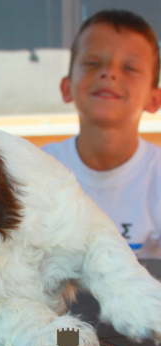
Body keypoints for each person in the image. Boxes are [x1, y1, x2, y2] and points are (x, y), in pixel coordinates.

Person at [42, 9, 161, 258]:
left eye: (130, 67)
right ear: (66, 88)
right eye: (92, 63)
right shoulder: (36, 171)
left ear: (154, 99)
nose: (109, 73)